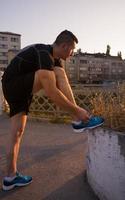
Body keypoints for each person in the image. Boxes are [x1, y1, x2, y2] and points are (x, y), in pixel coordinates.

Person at [1, 30, 104, 190]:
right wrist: (78, 110)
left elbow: (56, 89)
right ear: (64, 46)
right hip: (13, 84)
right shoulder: (43, 52)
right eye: (72, 50)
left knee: (17, 133)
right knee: (54, 74)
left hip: (20, 91)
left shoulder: (55, 60)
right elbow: (52, 93)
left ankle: (10, 177)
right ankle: (78, 118)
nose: (72, 54)